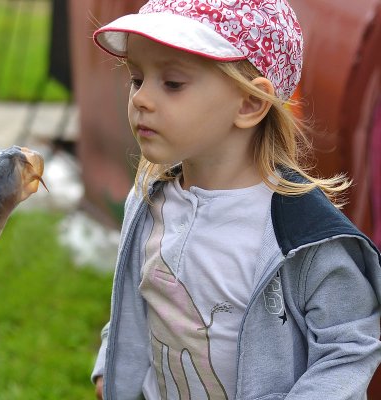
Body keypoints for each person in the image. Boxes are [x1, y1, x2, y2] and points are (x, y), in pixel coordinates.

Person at [89, 0, 381, 399]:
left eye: (172, 83)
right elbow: (136, 299)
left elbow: (349, 345)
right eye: (137, 79)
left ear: (249, 104)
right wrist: (112, 362)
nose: (141, 99)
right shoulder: (149, 201)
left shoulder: (301, 235)